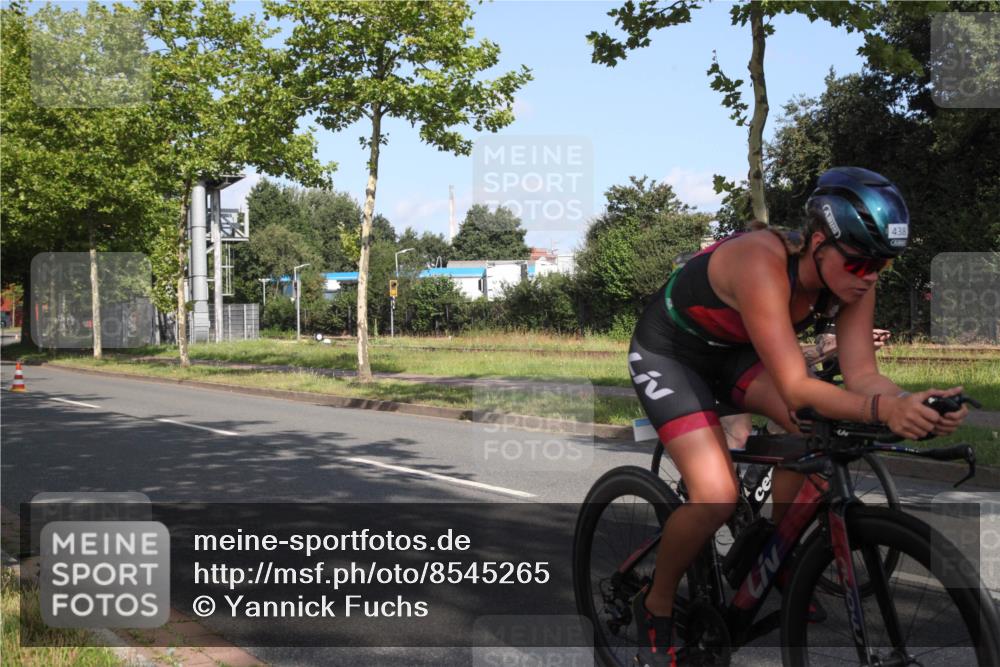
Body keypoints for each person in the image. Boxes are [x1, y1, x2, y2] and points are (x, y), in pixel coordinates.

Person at [627, 167, 969, 667]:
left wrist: (911, 402)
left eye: (882, 265)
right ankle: (655, 599)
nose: (870, 276)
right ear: (818, 244)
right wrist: (885, 409)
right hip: (672, 354)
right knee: (716, 495)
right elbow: (796, 386)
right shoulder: (760, 261)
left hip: (735, 354)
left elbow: (863, 377)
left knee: (814, 431)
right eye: (859, 263)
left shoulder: (854, 280)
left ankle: (777, 552)